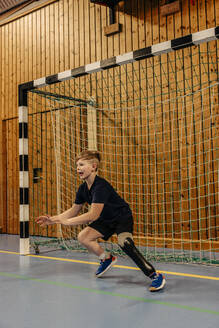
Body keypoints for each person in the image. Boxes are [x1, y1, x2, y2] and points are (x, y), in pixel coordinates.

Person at [36, 150, 166, 292]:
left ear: (93, 167)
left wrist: (67, 222)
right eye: (77, 165)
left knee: (125, 243)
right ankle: (106, 259)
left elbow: (93, 215)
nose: (78, 168)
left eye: (81, 164)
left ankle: (155, 275)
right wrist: (52, 220)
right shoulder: (83, 188)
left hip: (121, 217)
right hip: (106, 219)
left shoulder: (101, 186)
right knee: (83, 237)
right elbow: (73, 211)